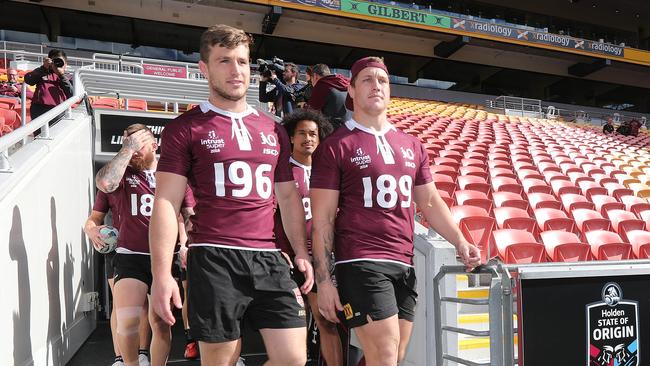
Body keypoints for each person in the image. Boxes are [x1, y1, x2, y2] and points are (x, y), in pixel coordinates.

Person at [149, 24, 313, 366]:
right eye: (224, 61)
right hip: (214, 257)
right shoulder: (185, 128)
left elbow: (287, 197)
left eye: (242, 61)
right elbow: (166, 202)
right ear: (205, 68)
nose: (236, 70)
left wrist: (300, 251)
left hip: (268, 256)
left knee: (294, 359)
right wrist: (162, 275)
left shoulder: (272, 129)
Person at [310, 56, 481, 366]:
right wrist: (324, 281)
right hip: (360, 262)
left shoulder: (412, 145)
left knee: (393, 356)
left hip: (403, 264)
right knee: (386, 356)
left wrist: (460, 240)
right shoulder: (335, 146)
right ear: (351, 89)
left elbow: (429, 202)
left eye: (383, 81)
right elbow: (322, 219)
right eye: (367, 80)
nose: (376, 85)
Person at [95, 123, 193, 366]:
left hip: (163, 259)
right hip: (129, 256)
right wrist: (127, 150)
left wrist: (189, 244)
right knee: (127, 320)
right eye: (128, 144)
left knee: (160, 323)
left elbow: (190, 215)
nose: (133, 149)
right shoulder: (120, 175)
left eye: (138, 144)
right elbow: (105, 184)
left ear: (154, 145)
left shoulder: (172, 177)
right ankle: (130, 363)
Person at [275, 109, 342, 365]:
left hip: (321, 258)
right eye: (301, 133)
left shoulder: (330, 172)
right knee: (293, 324)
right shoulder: (280, 171)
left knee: (326, 319)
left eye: (313, 133)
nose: (308, 138)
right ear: (291, 137)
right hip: (287, 259)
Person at [84, 190, 152, 366]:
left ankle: (143, 353)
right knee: (119, 303)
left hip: (143, 247)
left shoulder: (146, 180)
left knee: (143, 302)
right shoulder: (110, 185)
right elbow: (93, 219)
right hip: (116, 249)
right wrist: (91, 230)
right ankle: (119, 357)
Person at [24, 49, 73, 120]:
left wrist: (61, 75)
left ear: (65, 64)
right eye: (54, 61)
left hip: (58, 109)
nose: (57, 64)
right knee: (39, 131)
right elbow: (28, 80)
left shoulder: (69, 77)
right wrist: (43, 68)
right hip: (38, 108)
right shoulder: (42, 72)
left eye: (60, 62)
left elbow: (71, 93)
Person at [307, 63, 351, 129]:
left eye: (311, 79)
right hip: (349, 127)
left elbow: (311, 112)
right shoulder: (346, 83)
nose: (312, 83)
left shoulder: (322, 84)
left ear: (315, 76)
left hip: (332, 130)